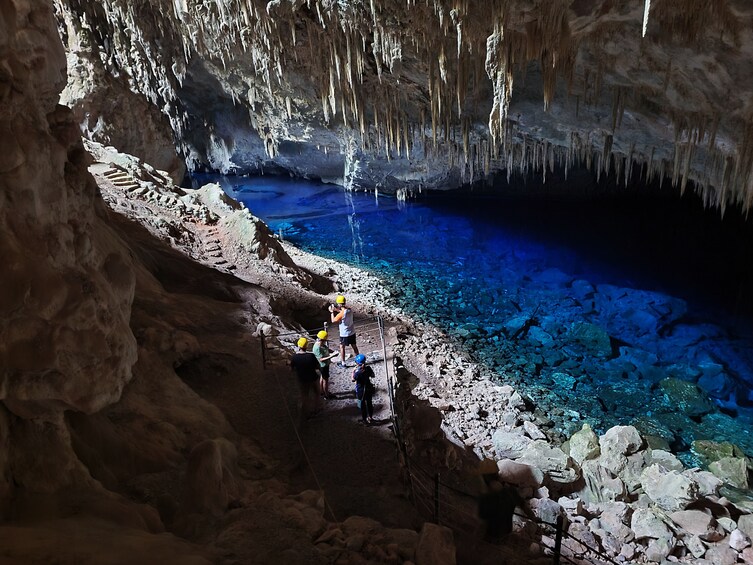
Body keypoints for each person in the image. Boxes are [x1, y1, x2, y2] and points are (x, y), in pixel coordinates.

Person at [476, 460, 527, 541]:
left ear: (484, 477)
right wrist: (535, 519)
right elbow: (524, 506)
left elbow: (483, 522)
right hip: (506, 535)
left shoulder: (486, 497)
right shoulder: (511, 491)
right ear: (497, 474)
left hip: (491, 539)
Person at [289, 337, 321, 423]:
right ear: (306, 346)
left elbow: (291, 369)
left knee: (305, 397)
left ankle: (307, 414)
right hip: (313, 378)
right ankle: (316, 409)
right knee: (317, 393)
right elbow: (317, 366)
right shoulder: (311, 356)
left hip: (302, 380)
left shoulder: (294, 357)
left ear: (299, 346)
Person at [329, 295, 359, 367]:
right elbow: (343, 312)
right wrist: (337, 310)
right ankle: (359, 360)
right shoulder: (349, 310)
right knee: (354, 346)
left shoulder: (341, 314)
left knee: (342, 347)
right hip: (352, 332)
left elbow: (333, 320)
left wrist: (331, 312)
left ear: (339, 304)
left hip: (344, 334)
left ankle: (343, 363)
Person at [312, 330, 338, 399]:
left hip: (324, 365)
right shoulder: (317, 348)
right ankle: (327, 395)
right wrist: (332, 356)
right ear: (322, 339)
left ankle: (322, 391)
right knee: (325, 380)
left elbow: (326, 348)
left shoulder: (320, 344)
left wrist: (333, 351)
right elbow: (321, 359)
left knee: (322, 377)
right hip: (323, 365)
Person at [351, 354, 375, 424]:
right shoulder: (368, 368)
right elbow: (373, 375)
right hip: (368, 388)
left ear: (357, 363)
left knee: (362, 405)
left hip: (361, 390)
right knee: (369, 403)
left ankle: (364, 420)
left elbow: (353, 379)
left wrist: (353, 371)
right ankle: (370, 417)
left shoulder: (358, 372)